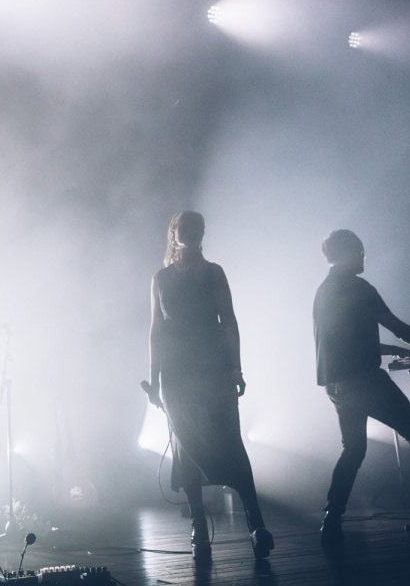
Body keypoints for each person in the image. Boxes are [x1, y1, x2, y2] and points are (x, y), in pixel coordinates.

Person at [312, 229, 410, 548]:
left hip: (336, 382)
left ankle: (331, 519)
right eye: (360, 252)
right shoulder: (359, 287)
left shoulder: (324, 290)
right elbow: (399, 328)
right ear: (349, 253)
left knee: (353, 449)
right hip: (363, 379)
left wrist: (395, 351)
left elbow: (345, 342)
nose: (364, 257)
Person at [143, 211, 273, 562]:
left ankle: (256, 524)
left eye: (196, 227)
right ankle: (199, 528)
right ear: (174, 233)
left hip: (212, 366)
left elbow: (228, 320)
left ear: (201, 233)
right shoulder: (160, 278)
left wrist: (236, 367)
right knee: (184, 447)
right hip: (176, 372)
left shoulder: (214, 272)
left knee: (230, 441)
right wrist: (153, 379)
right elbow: (156, 330)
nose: (191, 231)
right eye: (184, 227)